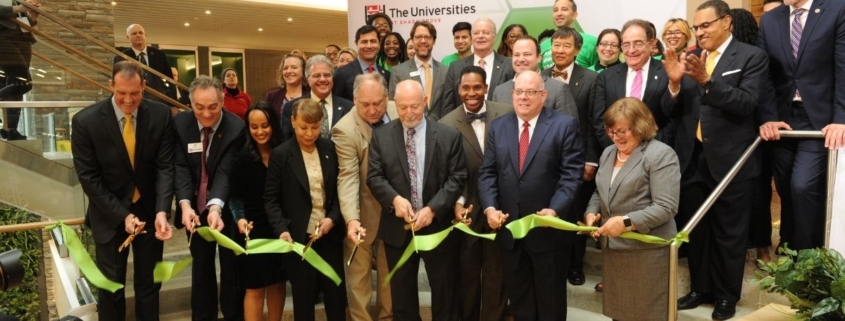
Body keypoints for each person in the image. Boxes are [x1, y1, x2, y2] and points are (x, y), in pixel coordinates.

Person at [665, 1, 768, 319]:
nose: (700, 32)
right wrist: (674, 83)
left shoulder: (752, 57)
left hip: (732, 160)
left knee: (729, 232)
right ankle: (700, 288)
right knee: (697, 231)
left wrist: (708, 81)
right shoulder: (691, 56)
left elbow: (747, 103)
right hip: (693, 158)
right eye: (696, 27)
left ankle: (726, 296)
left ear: (727, 23)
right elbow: (673, 111)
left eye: (706, 25)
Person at [71, 61, 174, 321]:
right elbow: (89, 178)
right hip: (109, 215)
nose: (128, 100)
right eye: (122, 93)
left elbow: (165, 167)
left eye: (135, 93)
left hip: (150, 212)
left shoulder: (161, 115)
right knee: (111, 289)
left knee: (150, 286)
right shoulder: (85, 121)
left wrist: (163, 210)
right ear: (111, 86)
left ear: (144, 87)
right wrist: (122, 216)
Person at [478, 70, 583, 320]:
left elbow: (571, 175)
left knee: (551, 305)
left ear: (543, 95)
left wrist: (554, 210)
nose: (523, 97)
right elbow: (488, 173)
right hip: (511, 233)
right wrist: (490, 208)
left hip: (548, 234)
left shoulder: (563, 125)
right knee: (521, 302)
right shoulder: (499, 126)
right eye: (518, 92)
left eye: (530, 92)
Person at [367, 80, 467, 320]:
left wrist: (433, 209)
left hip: (437, 228)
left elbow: (457, 177)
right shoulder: (381, 136)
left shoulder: (448, 135)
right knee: (402, 299)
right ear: (394, 105)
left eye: (414, 106)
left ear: (425, 102)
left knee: (445, 294)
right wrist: (394, 200)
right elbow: (374, 176)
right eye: (402, 107)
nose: (408, 113)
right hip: (398, 229)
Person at [758, 0, 845, 252]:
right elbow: (765, 76)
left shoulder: (836, 10)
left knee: (803, 186)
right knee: (785, 187)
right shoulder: (771, 20)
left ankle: (809, 258)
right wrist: (768, 117)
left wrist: (841, 118)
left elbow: (842, 67)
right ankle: (789, 246)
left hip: (819, 120)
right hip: (783, 119)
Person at [584, 97, 680, 321]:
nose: (615, 137)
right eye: (611, 131)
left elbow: (666, 206)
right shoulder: (608, 153)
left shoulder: (661, 155)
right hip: (615, 254)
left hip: (647, 256)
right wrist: (591, 212)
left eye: (622, 131)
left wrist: (625, 221)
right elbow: (600, 191)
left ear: (641, 126)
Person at [439, 66, 511, 321]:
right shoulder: (445, 123)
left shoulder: (507, 113)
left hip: (499, 207)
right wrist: (457, 203)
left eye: (477, 87)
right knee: (467, 274)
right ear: (459, 89)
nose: (472, 93)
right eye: (466, 88)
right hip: (466, 209)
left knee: (497, 274)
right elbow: (447, 172)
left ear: (486, 88)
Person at [265, 99, 346, 321]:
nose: (310, 133)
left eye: (315, 127)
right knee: (304, 298)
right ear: (293, 122)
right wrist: (281, 229)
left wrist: (333, 218)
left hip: (329, 236)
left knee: (336, 295)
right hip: (299, 239)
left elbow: (340, 192)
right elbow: (271, 199)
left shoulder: (329, 148)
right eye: (304, 127)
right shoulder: (281, 155)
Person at [173, 75, 246, 321]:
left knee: (231, 269)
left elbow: (226, 172)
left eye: (213, 106)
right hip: (192, 209)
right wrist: (184, 204)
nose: (206, 114)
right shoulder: (180, 124)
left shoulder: (236, 127)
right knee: (201, 267)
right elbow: (181, 168)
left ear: (223, 100)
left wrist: (215, 208)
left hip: (227, 208)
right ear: (190, 104)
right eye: (199, 107)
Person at [332, 73, 398, 321]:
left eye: (377, 103)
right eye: (364, 104)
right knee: (358, 279)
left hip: (396, 211)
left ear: (387, 97)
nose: (372, 110)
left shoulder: (399, 110)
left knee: (389, 274)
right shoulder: (345, 129)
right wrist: (351, 219)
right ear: (354, 99)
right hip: (363, 212)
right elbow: (348, 177)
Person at [541, 27, 600, 287]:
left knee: (575, 212)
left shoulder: (591, 78)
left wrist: (590, 159)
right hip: (544, 162)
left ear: (577, 50)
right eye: (556, 45)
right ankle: (553, 262)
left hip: (577, 160)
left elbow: (592, 121)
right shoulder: (538, 78)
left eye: (566, 46)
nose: (560, 50)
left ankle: (575, 266)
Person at [228, 102, 286, 321]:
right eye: (254, 127)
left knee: (277, 283)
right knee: (254, 288)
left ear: (273, 125)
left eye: (265, 125)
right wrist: (239, 218)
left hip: (278, 226)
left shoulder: (284, 153)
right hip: (251, 229)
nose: (260, 131)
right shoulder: (241, 158)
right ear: (248, 128)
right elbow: (234, 196)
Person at [594, 19, 677, 151]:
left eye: (638, 43)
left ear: (651, 44)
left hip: (656, 153)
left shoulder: (668, 73)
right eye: (626, 45)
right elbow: (599, 120)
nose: (631, 50)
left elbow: (674, 117)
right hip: (616, 154)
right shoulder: (606, 77)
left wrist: (651, 149)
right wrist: (618, 149)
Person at [492, 36, 578, 119]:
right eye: (517, 55)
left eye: (527, 54)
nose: (521, 59)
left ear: (539, 57)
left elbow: (569, 129)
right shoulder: (499, 92)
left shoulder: (558, 89)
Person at [443, 18, 515, 113]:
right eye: (476, 33)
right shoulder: (455, 67)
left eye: (485, 32)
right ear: (472, 37)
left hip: (501, 124)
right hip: (463, 125)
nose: (480, 36)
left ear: (494, 36)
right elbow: (448, 106)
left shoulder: (509, 65)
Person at [281, 55, 353, 141]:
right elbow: (287, 142)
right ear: (308, 79)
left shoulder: (349, 107)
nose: (322, 79)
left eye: (327, 75)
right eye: (316, 76)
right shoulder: (291, 107)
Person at [388, 21, 449, 120]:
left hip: (441, 130)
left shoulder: (445, 71)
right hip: (410, 129)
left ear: (434, 41)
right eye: (418, 37)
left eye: (427, 37)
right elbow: (393, 107)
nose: (423, 41)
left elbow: (449, 105)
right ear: (412, 40)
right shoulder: (398, 72)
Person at [0, 0, 39, 141]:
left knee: (15, 84)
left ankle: (9, 129)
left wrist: (32, 17)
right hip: (3, 38)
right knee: (23, 83)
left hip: (22, 38)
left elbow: (22, 20)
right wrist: (20, 7)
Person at [113, 24, 176, 102]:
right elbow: (117, 82)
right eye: (134, 33)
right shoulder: (122, 57)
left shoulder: (159, 54)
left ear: (145, 35)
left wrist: (173, 104)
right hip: (133, 101)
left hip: (159, 101)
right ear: (128, 37)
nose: (138, 35)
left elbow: (170, 79)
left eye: (140, 33)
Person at [333, 25, 391, 101]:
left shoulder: (387, 75)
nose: (369, 46)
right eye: (364, 42)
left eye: (373, 41)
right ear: (356, 43)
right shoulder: (341, 74)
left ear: (379, 43)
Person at [540, 0, 598, 70]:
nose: (559, 13)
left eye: (564, 9)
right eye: (555, 10)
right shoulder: (543, 45)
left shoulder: (591, 42)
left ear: (574, 15)